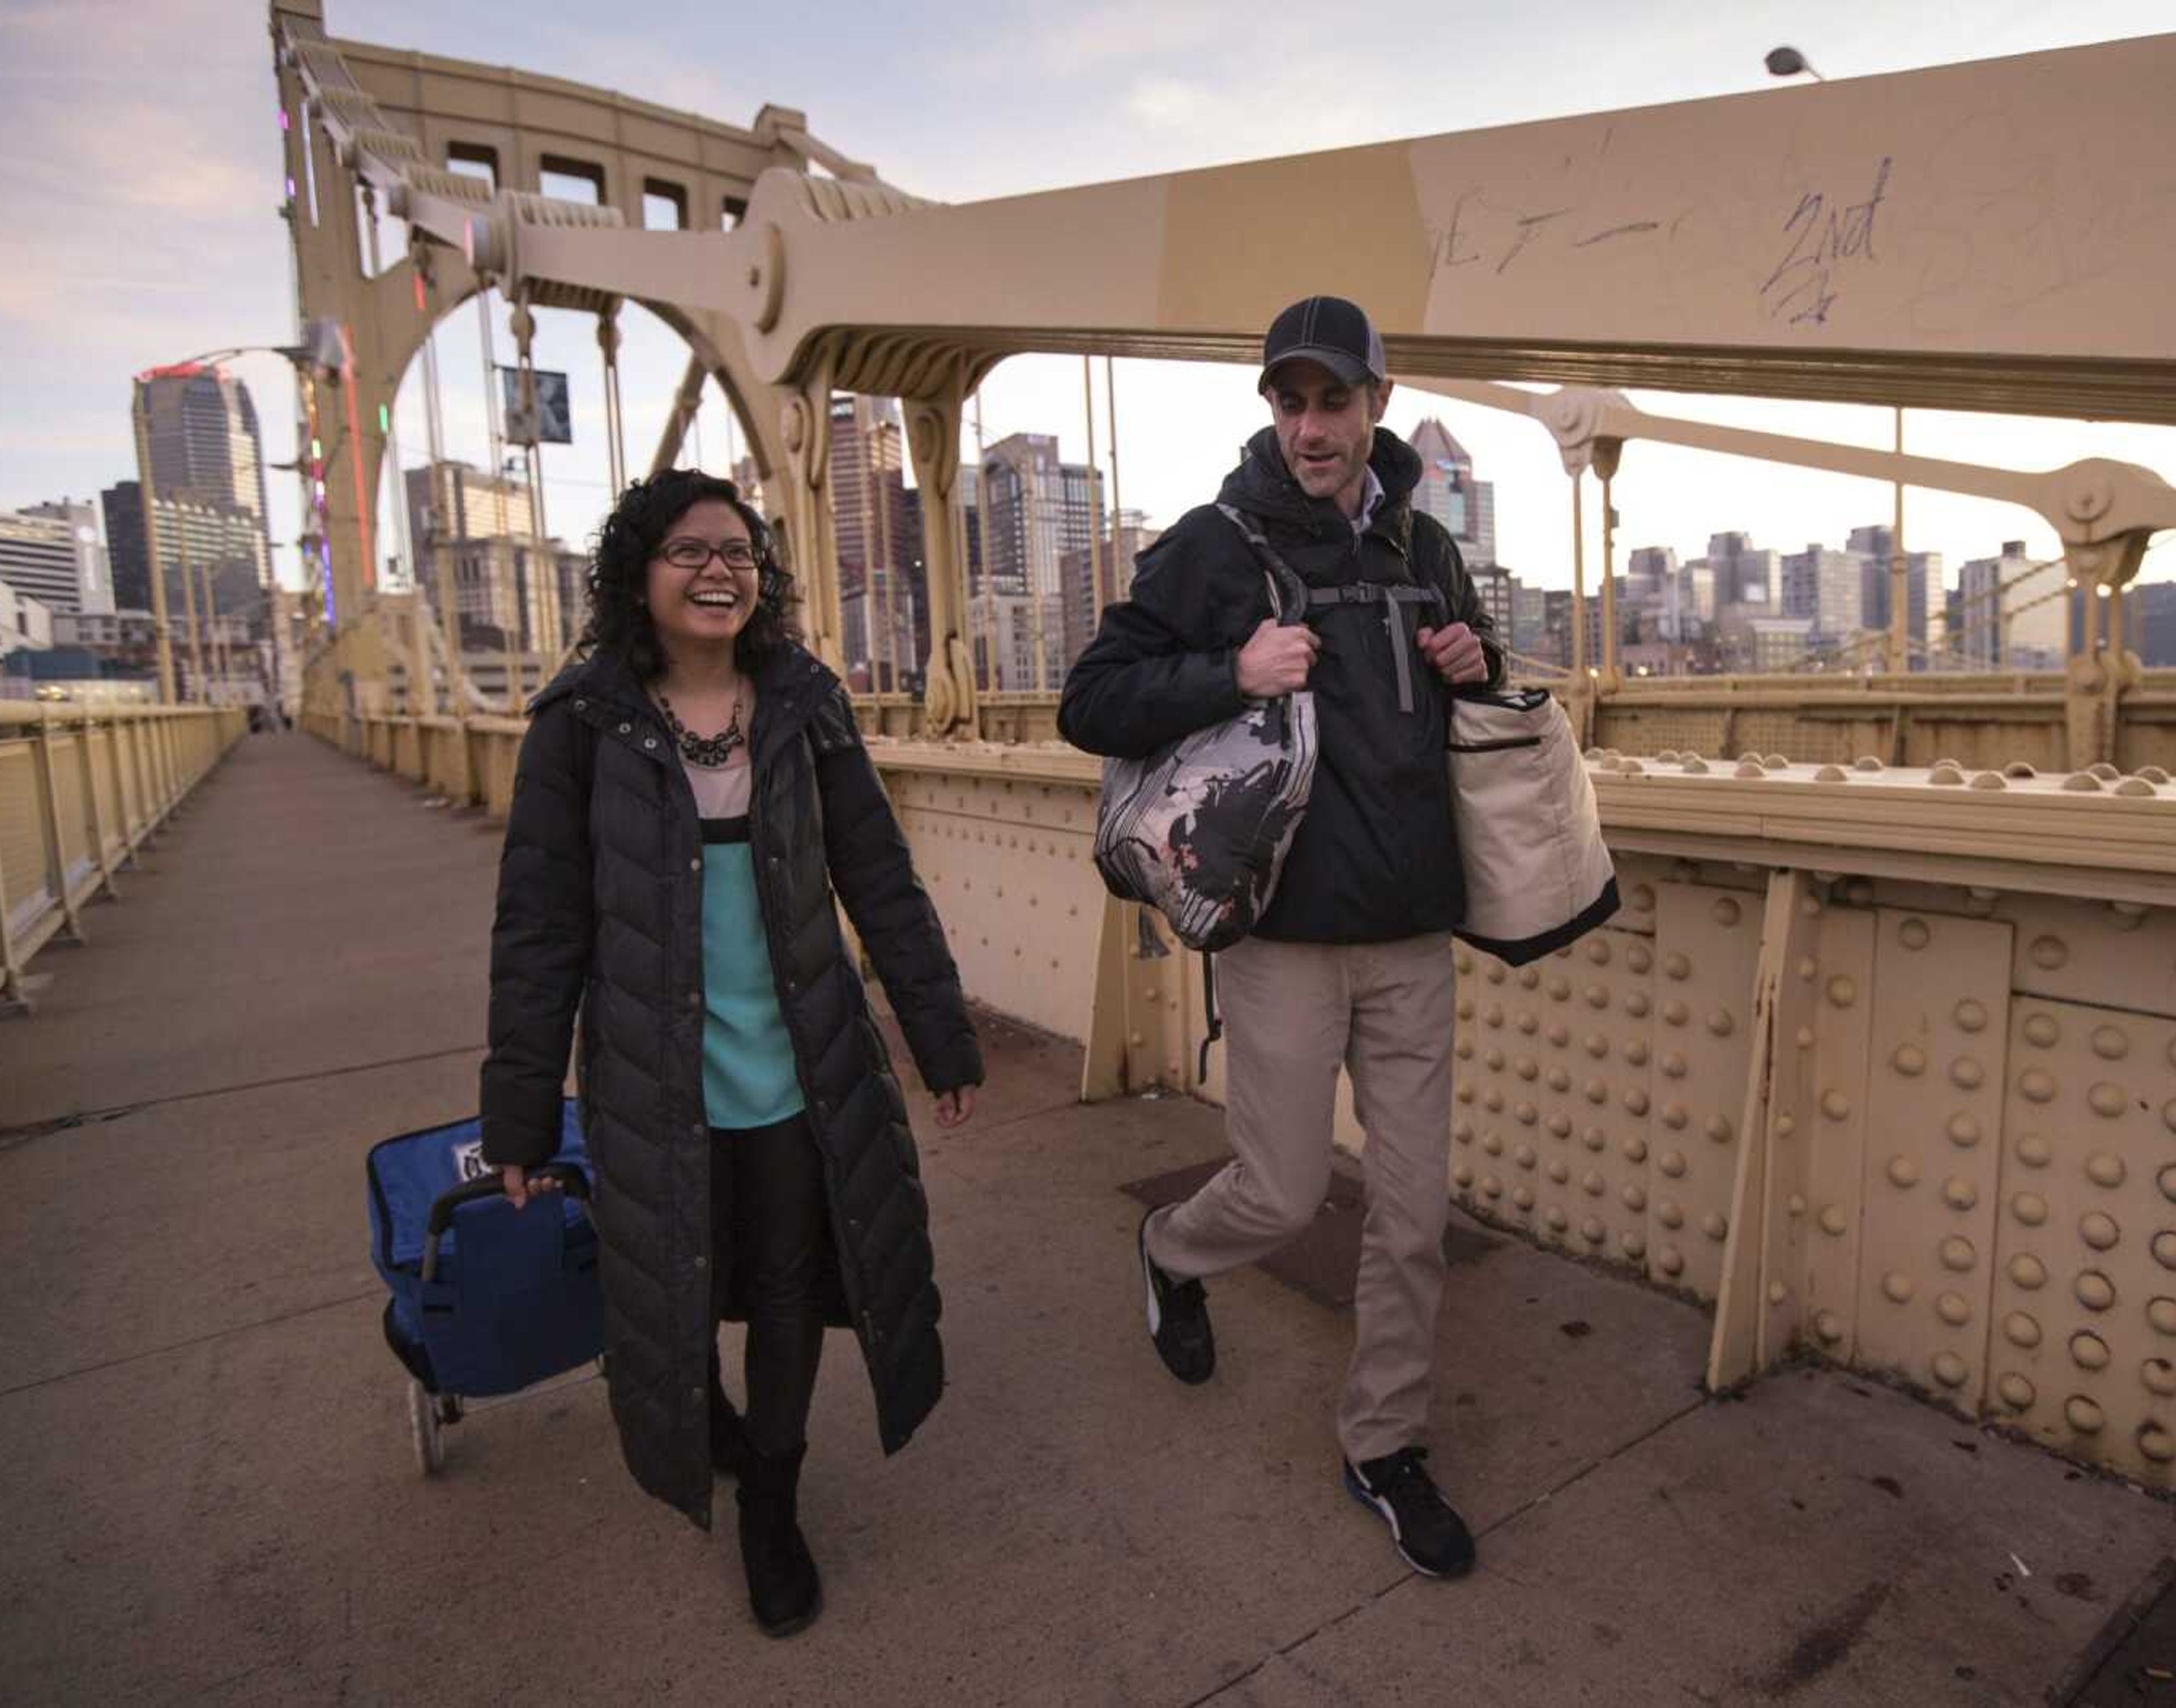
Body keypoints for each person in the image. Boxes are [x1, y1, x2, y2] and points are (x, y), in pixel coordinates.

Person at [479, 468, 983, 1637]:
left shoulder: (805, 702)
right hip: (658, 1080)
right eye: (690, 550)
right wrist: (517, 1113)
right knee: (677, 1285)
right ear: (635, 575)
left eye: (742, 552)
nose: (720, 569)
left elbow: (878, 875)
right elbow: (539, 927)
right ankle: (707, 1420)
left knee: (792, 1282)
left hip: (803, 1068)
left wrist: (937, 1029)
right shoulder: (580, 725)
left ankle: (773, 1492)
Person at [1058, 295, 1502, 1579]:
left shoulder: (1428, 545)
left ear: (1376, 403)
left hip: (1415, 930)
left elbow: (1477, 705)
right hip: (1285, 934)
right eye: (1288, 402)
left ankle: (1385, 1449)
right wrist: (1230, 673)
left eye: (1335, 400)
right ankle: (1172, 1250)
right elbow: (1093, 699)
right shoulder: (1215, 546)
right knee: (1286, 1189)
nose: (1311, 426)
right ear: (1271, 412)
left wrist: (1479, 662)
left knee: (1413, 1218)